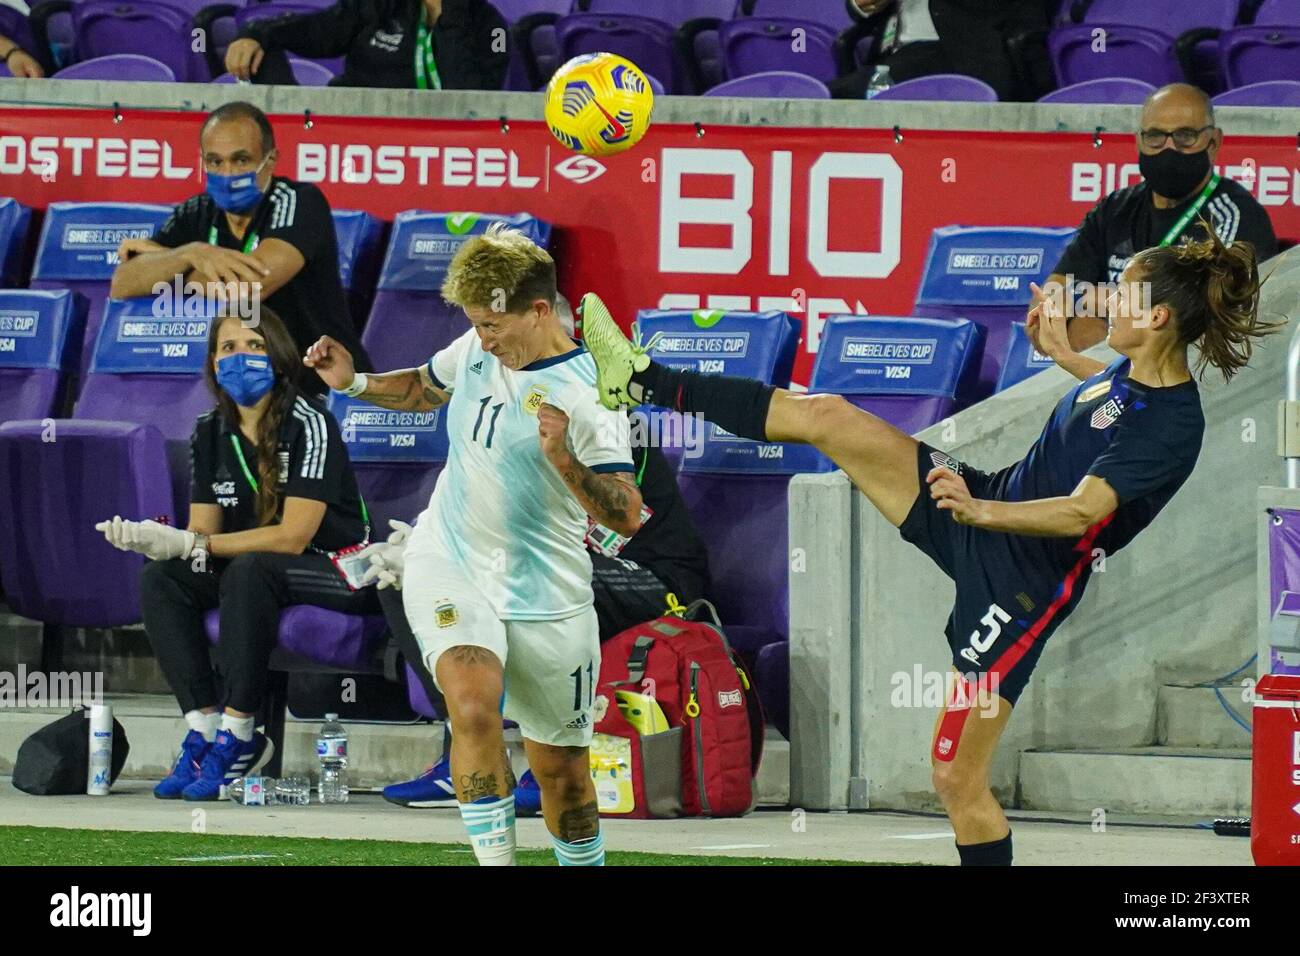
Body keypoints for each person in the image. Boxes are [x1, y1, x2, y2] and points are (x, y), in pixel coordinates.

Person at [579, 230, 1275, 866]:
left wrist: (980, 509)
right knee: (829, 417)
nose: (1109, 297)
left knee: (954, 776)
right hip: (981, 508)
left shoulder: (1172, 425)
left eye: (1125, 291)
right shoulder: (1128, 375)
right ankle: (640, 378)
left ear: (1156, 318)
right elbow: (1102, 402)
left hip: (1020, 585)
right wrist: (1061, 353)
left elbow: (1080, 512)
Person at [303, 224, 640, 866]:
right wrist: (353, 384)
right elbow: (425, 387)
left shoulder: (594, 392)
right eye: (477, 325)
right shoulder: (481, 346)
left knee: (563, 776)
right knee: (471, 705)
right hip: (450, 557)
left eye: (494, 325)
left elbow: (626, 516)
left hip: (548, 592)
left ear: (539, 311)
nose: (482, 339)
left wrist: (564, 459)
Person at [370, 296, 712, 808]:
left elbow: (615, 523)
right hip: (573, 555)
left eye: (502, 334)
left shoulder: (592, 401)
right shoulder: (498, 394)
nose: (494, 349)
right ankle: (468, 745)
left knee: (545, 576)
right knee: (414, 576)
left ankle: (550, 761)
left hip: (652, 573)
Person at [95, 306, 375, 801]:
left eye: (254, 346)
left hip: (336, 568)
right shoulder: (209, 429)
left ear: (280, 356)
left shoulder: (311, 422)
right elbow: (203, 532)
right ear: (212, 362)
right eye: (228, 348)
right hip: (258, 569)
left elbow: (292, 537)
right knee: (163, 578)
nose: (240, 358)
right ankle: (203, 727)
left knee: (249, 570)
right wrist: (165, 545)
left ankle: (241, 734)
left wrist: (192, 544)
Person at [109, 101, 372, 395]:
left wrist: (169, 276)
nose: (228, 173)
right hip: (251, 393)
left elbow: (249, 288)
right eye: (215, 162)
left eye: (241, 160)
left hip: (324, 387)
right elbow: (123, 283)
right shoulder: (196, 212)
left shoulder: (299, 202)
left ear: (270, 161)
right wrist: (191, 253)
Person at [1042, 83, 1278, 352]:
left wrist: (1105, 306)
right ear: (1139, 141)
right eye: (1155, 136)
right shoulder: (1114, 209)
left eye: (1185, 136)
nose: (1169, 148)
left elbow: (1204, 318)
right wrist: (1074, 312)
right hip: (1110, 375)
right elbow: (1053, 295)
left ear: (1213, 143)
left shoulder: (1235, 216)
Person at [224, 0, 508, 90]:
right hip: (350, 139)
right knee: (261, 53)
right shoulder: (381, 5)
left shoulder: (490, 27)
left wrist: (452, 15)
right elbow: (318, 30)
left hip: (435, 149)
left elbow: (470, 100)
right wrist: (255, 32)